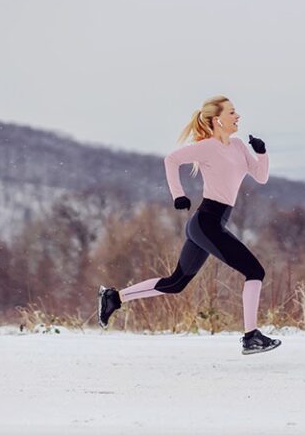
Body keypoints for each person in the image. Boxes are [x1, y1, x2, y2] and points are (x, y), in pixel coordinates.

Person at [98, 95, 281, 355]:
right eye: (232, 112)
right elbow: (171, 160)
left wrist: (261, 153)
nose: (237, 116)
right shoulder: (207, 147)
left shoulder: (239, 146)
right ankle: (251, 336)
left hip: (211, 223)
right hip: (207, 222)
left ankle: (114, 298)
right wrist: (178, 194)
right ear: (217, 119)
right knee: (255, 271)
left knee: (176, 283)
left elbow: (261, 177)